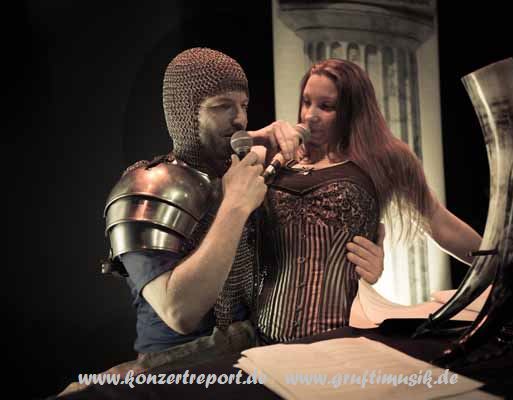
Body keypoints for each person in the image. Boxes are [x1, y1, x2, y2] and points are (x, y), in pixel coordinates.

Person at [56, 48, 384, 397]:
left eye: (243, 105)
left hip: (251, 360)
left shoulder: (241, 172)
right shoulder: (148, 190)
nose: (239, 118)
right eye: (222, 106)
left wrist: (367, 266)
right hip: (176, 375)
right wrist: (235, 207)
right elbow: (180, 312)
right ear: (185, 113)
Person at [256, 58, 482, 344]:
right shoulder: (278, 155)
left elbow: (439, 221)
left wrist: (502, 267)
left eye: (326, 106)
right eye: (306, 102)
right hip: (264, 334)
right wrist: (259, 136)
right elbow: (214, 167)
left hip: (343, 336)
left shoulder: (386, 158)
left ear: (353, 110)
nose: (310, 115)